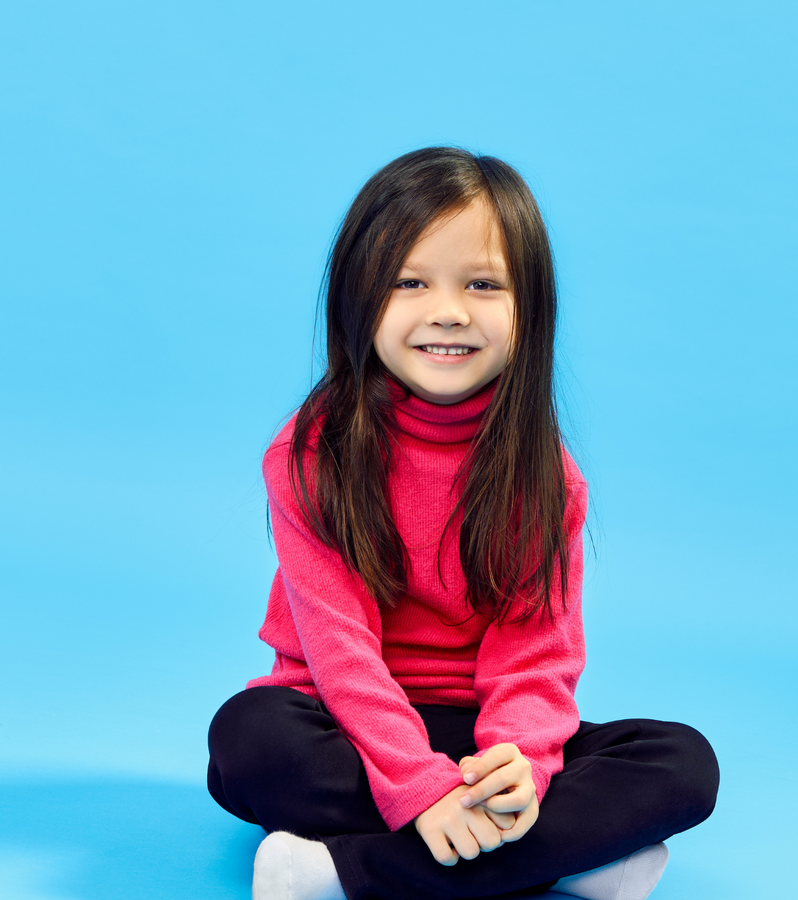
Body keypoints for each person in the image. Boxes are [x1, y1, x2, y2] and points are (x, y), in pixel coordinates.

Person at [207, 147, 719, 900]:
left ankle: (338, 873)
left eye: (482, 284)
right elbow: (341, 656)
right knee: (249, 742)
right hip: (344, 725)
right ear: (357, 298)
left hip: (479, 736)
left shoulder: (546, 477)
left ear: (529, 309)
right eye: (409, 282)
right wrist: (420, 787)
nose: (448, 311)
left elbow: (535, 660)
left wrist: (520, 768)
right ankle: (568, 859)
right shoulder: (311, 455)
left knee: (683, 764)